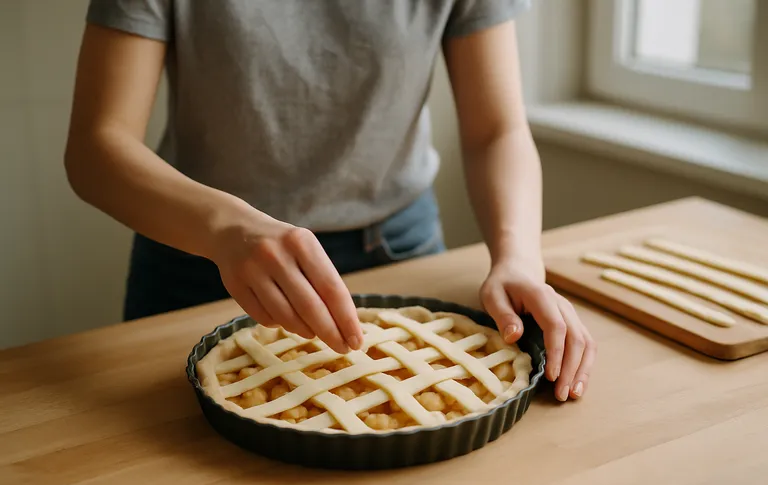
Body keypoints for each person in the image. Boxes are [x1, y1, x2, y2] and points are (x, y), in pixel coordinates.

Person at [65, 0, 596, 402]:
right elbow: (96, 149)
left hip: (398, 256)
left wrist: (519, 259)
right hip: (201, 258)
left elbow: (497, 130)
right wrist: (226, 229)